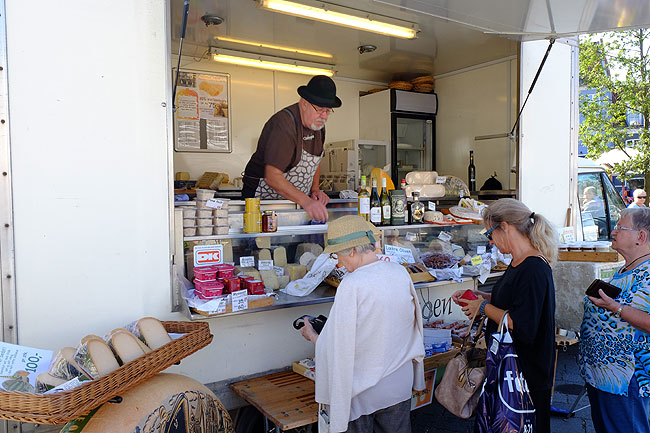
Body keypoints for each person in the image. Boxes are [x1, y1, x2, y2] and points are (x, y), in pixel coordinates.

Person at [299, 215, 425, 433]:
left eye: (337, 254)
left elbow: (339, 346)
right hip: (398, 384)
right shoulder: (399, 272)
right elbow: (414, 324)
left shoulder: (352, 284)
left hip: (363, 391)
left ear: (353, 251)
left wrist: (312, 336)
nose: (338, 262)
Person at [452, 198, 557, 433]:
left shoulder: (533, 268)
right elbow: (514, 304)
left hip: (525, 371)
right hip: (509, 367)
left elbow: (520, 323)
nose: (490, 240)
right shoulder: (518, 262)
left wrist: (482, 308)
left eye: (490, 233)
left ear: (506, 227)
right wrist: (483, 297)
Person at [579, 207, 650, 433]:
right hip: (602, 375)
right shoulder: (626, 268)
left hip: (627, 378)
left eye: (620, 227)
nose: (613, 232)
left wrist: (615, 307)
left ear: (641, 236)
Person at [242, 75, 341, 221]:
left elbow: (316, 160)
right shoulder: (284, 124)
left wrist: (315, 190)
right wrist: (306, 201)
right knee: (261, 242)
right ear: (305, 103)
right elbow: (272, 177)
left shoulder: (318, 127)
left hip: (293, 202)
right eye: (320, 109)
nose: (324, 116)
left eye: (328, 111)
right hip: (262, 201)